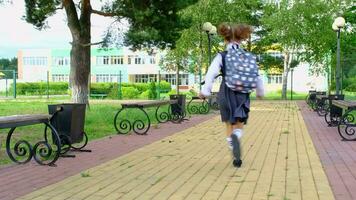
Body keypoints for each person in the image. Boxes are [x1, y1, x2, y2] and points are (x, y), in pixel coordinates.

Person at [199, 23, 264, 168]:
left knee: (229, 122)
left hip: (227, 92)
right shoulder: (247, 55)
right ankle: (237, 135)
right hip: (243, 94)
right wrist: (260, 92)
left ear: (225, 38)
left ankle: (232, 145)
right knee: (239, 121)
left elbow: (211, 74)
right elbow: (257, 75)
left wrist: (205, 92)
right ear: (241, 39)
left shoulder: (222, 56)